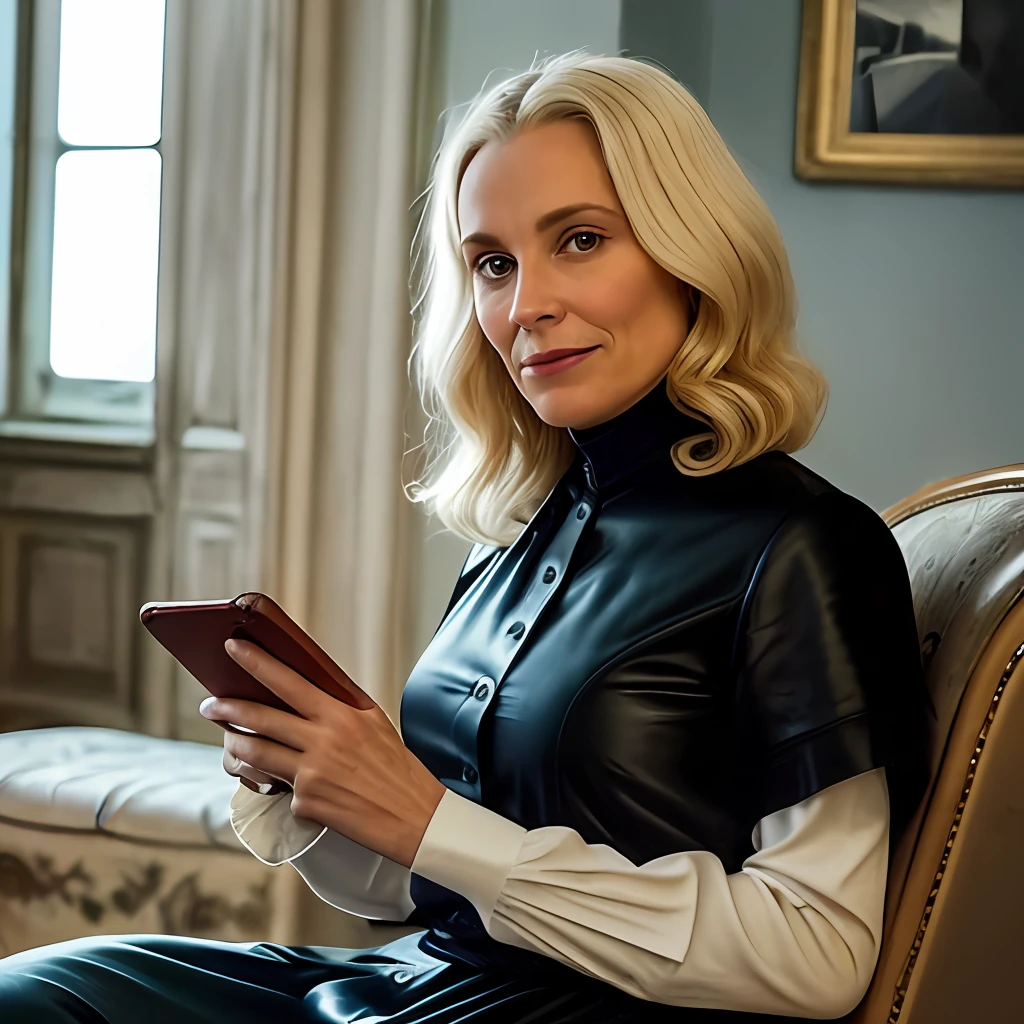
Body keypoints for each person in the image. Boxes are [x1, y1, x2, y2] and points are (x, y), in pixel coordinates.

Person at [0, 50, 927, 1023]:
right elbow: (427, 884)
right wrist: (321, 784)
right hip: (421, 975)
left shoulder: (804, 547)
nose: (525, 305)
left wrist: (431, 821)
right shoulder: (515, 539)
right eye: (492, 262)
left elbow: (820, 955)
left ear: (690, 248)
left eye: (578, 240)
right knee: (43, 989)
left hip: (569, 1013)